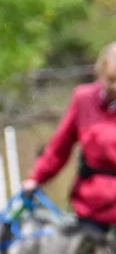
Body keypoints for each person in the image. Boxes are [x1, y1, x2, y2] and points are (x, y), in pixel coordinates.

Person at [22, 42, 116, 232]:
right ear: (100, 74)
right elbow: (59, 147)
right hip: (92, 207)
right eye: (111, 80)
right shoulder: (83, 99)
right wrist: (36, 178)